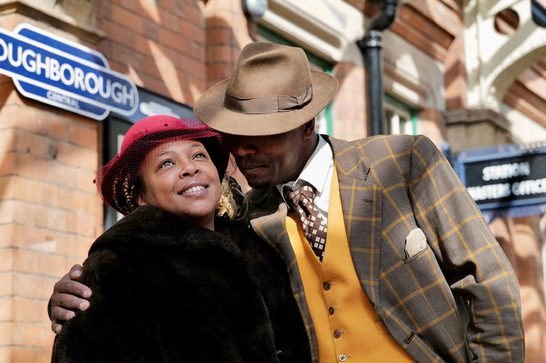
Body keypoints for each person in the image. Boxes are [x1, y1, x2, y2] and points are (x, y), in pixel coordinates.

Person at [49, 43, 525, 362]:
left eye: (262, 136)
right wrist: (69, 299)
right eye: (234, 136)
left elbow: (490, 282)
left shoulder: (402, 163)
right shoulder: (253, 222)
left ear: (307, 127)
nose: (242, 149)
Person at [50, 115, 310, 362]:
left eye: (198, 155)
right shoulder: (113, 268)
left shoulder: (257, 249)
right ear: (141, 196)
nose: (190, 168)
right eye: (166, 163)